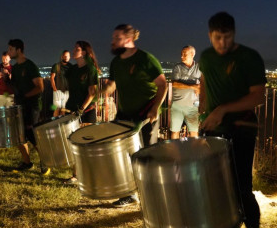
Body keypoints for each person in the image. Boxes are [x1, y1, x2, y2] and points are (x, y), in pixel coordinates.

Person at [199, 11, 266, 228]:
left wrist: (223, 110)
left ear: (234, 34)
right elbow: (204, 81)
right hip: (214, 128)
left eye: (227, 38)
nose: (223, 43)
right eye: (218, 38)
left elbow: (257, 96)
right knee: (212, 185)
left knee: (241, 188)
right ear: (210, 35)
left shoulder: (249, 58)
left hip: (242, 129)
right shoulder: (205, 57)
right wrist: (204, 109)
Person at [102, 24, 168, 207]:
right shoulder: (116, 62)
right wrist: (103, 91)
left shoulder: (145, 59)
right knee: (122, 154)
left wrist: (155, 108)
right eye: (113, 37)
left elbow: (163, 85)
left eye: (117, 38)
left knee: (148, 155)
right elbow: (111, 84)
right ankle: (130, 193)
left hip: (147, 113)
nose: (112, 41)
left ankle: (154, 195)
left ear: (129, 40)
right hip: (124, 113)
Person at [6, 39, 48, 174]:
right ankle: (27, 162)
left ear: (18, 50)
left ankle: (46, 161)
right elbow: (15, 86)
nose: (9, 52)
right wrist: (7, 79)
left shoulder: (30, 66)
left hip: (33, 106)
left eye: (11, 49)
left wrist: (25, 97)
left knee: (32, 134)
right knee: (18, 135)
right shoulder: (16, 67)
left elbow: (40, 87)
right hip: (20, 106)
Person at [62, 41, 99, 184]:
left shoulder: (90, 69)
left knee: (87, 145)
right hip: (72, 110)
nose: (73, 50)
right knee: (74, 144)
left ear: (83, 52)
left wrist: (81, 109)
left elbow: (92, 93)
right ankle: (76, 176)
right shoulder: (73, 70)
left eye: (76, 49)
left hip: (86, 110)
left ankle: (92, 175)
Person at [169, 45, 201, 139]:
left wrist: (200, 87)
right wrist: (193, 86)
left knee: (194, 133)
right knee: (175, 132)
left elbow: (204, 83)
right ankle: (174, 152)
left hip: (193, 107)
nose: (181, 56)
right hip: (177, 106)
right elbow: (175, 83)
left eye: (184, 54)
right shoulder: (177, 67)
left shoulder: (199, 68)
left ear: (192, 54)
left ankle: (193, 152)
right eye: (181, 54)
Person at [50, 50, 72, 117]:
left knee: (63, 110)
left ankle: (61, 124)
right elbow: (52, 77)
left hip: (67, 91)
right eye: (65, 56)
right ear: (62, 56)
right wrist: (54, 89)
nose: (66, 57)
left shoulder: (71, 66)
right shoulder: (56, 66)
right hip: (58, 90)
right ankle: (54, 124)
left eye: (67, 56)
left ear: (69, 57)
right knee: (56, 109)